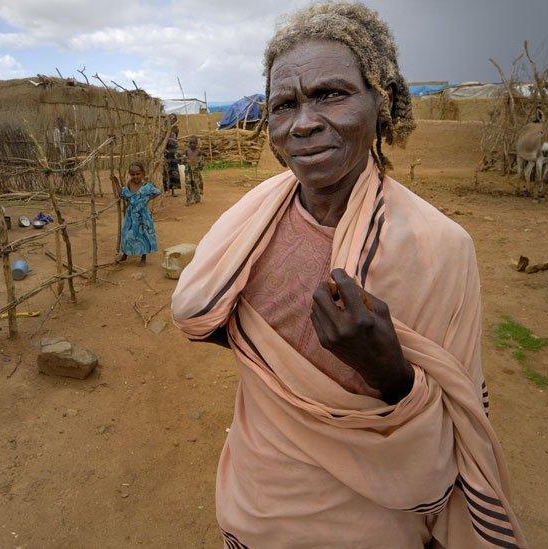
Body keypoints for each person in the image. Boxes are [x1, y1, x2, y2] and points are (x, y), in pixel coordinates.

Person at [171, 3, 526, 548]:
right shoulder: (250, 223)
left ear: (379, 104)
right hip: (254, 503)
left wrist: (391, 375)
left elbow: (457, 428)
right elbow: (222, 325)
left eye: (331, 94)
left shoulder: (440, 249)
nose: (304, 122)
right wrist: (285, 369)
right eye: (284, 104)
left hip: (371, 525)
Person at [118, 161, 161, 266]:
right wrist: (115, 183)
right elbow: (122, 195)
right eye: (132, 174)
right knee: (127, 235)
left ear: (143, 173)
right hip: (130, 216)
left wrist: (146, 199)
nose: (135, 176)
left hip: (143, 216)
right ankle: (125, 253)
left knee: (143, 235)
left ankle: (143, 257)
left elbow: (157, 192)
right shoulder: (128, 186)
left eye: (138, 174)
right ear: (129, 174)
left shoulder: (147, 186)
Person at [183, 135, 204, 205]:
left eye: (194, 143)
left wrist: (199, 167)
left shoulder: (199, 151)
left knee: (196, 184)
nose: (192, 144)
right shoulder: (186, 151)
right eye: (190, 143)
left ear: (197, 143)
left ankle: (197, 198)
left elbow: (202, 162)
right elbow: (182, 160)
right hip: (188, 171)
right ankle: (188, 200)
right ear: (188, 143)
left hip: (196, 171)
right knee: (188, 184)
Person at [163, 116, 181, 196]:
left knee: (174, 172)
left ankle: (173, 190)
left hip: (173, 153)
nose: (172, 120)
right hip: (166, 153)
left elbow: (176, 139)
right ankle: (166, 190)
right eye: (171, 119)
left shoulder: (176, 129)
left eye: (174, 119)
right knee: (166, 172)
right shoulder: (165, 130)